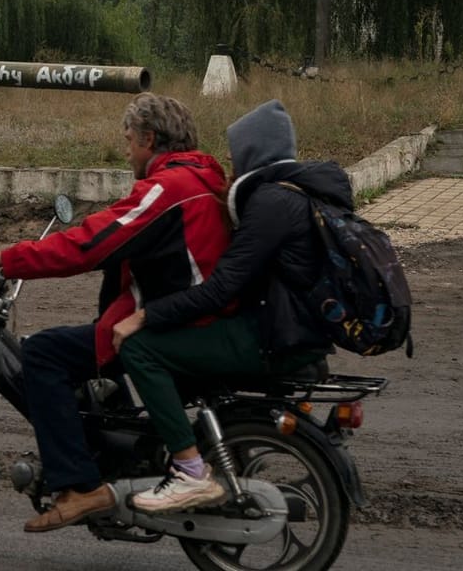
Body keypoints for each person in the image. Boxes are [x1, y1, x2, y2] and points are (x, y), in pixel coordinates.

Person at [0, 93, 230, 532]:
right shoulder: (200, 178)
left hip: (173, 325)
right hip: (184, 316)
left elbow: (89, 245)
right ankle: (117, 458)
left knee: (44, 353)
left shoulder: (169, 189)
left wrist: (7, 258)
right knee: (88, 344)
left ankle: (76, 487)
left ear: (149, 139)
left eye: (129, 140)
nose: (126, 149)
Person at [110, 99, 348, 514]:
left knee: (140, 348)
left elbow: (221, 289)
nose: (231, 167)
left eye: (237, 156)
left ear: (254, 153)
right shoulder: (303, 193)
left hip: (275, 336)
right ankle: (210, 449)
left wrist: (145, 315)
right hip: (305, 333)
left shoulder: (270, 204)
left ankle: (189, 470)